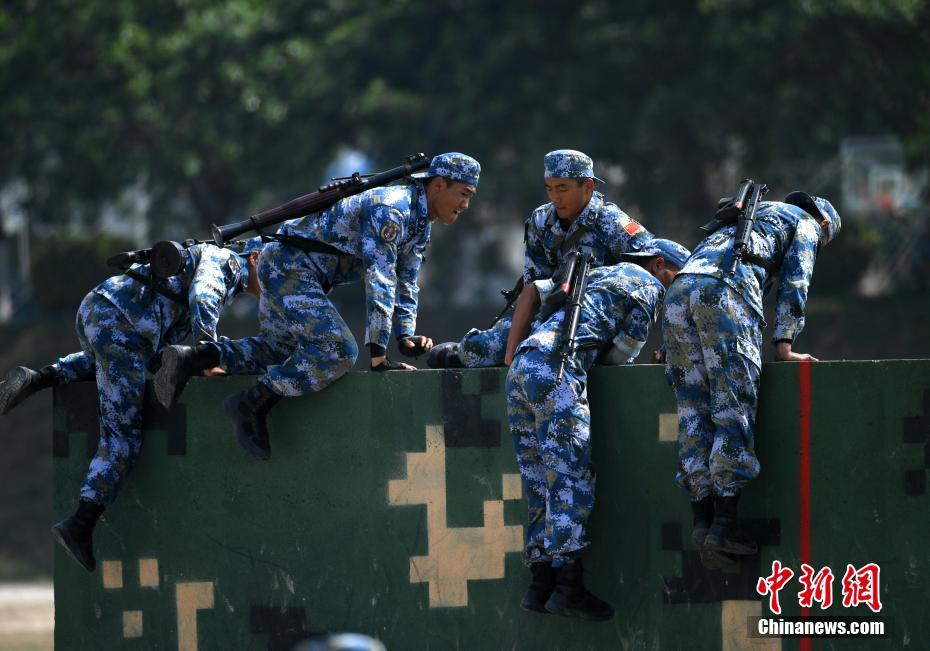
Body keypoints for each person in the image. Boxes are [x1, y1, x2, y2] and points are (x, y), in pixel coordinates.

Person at [153, 153, 480, 461]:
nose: (466, 204)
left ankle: (193, 357)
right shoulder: (392, 210)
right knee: (338, 351)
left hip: (295, 271)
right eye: (463, 194)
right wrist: (379, 356)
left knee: (278, 350)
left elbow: (406, 280)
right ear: (438, 185)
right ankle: (251, 403)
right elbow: (380, 280)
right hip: (289, 268)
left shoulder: (420, 221)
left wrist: (405, 336)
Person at [0, 238, 264, 572]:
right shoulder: (228, 262)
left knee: (120, 366)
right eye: (270, 273)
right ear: (255, 258)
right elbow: (203, 296)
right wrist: (206, 353)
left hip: (113, 318)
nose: (273, 285)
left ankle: (37, 378)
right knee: (122, 437)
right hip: (120, 322)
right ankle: (79, 525)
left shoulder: (222, 268)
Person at [504, 238, 691, 621]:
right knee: (570, 479)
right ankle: (568, 587)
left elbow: (538, 294)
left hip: (523, 367)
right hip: (558, 373)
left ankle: (541, 583)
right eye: (676, 279)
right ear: (658, 266)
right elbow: (620, 355)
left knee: (538, 480)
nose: (677, 291)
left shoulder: (599, 274)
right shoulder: (648, 288)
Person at [662, 190, 841, 569]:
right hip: (726, 291)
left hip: (680, 291)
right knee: (731, 406)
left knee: (693, 411)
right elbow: (796, 281)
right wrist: (784, 344)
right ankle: (725, 524)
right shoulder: (806, 224)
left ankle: (702, 521)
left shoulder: (751, 215)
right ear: (824, 225)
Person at [428, 149, 653, 369]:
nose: (555, 197)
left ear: (588, 186)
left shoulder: (613, 222)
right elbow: (534, 286)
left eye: (562, 189)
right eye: (550, 189)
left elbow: (653, 268)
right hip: (551, 318)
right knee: (479, 349)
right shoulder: (541, 220)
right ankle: (461, 352)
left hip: (601, 320)